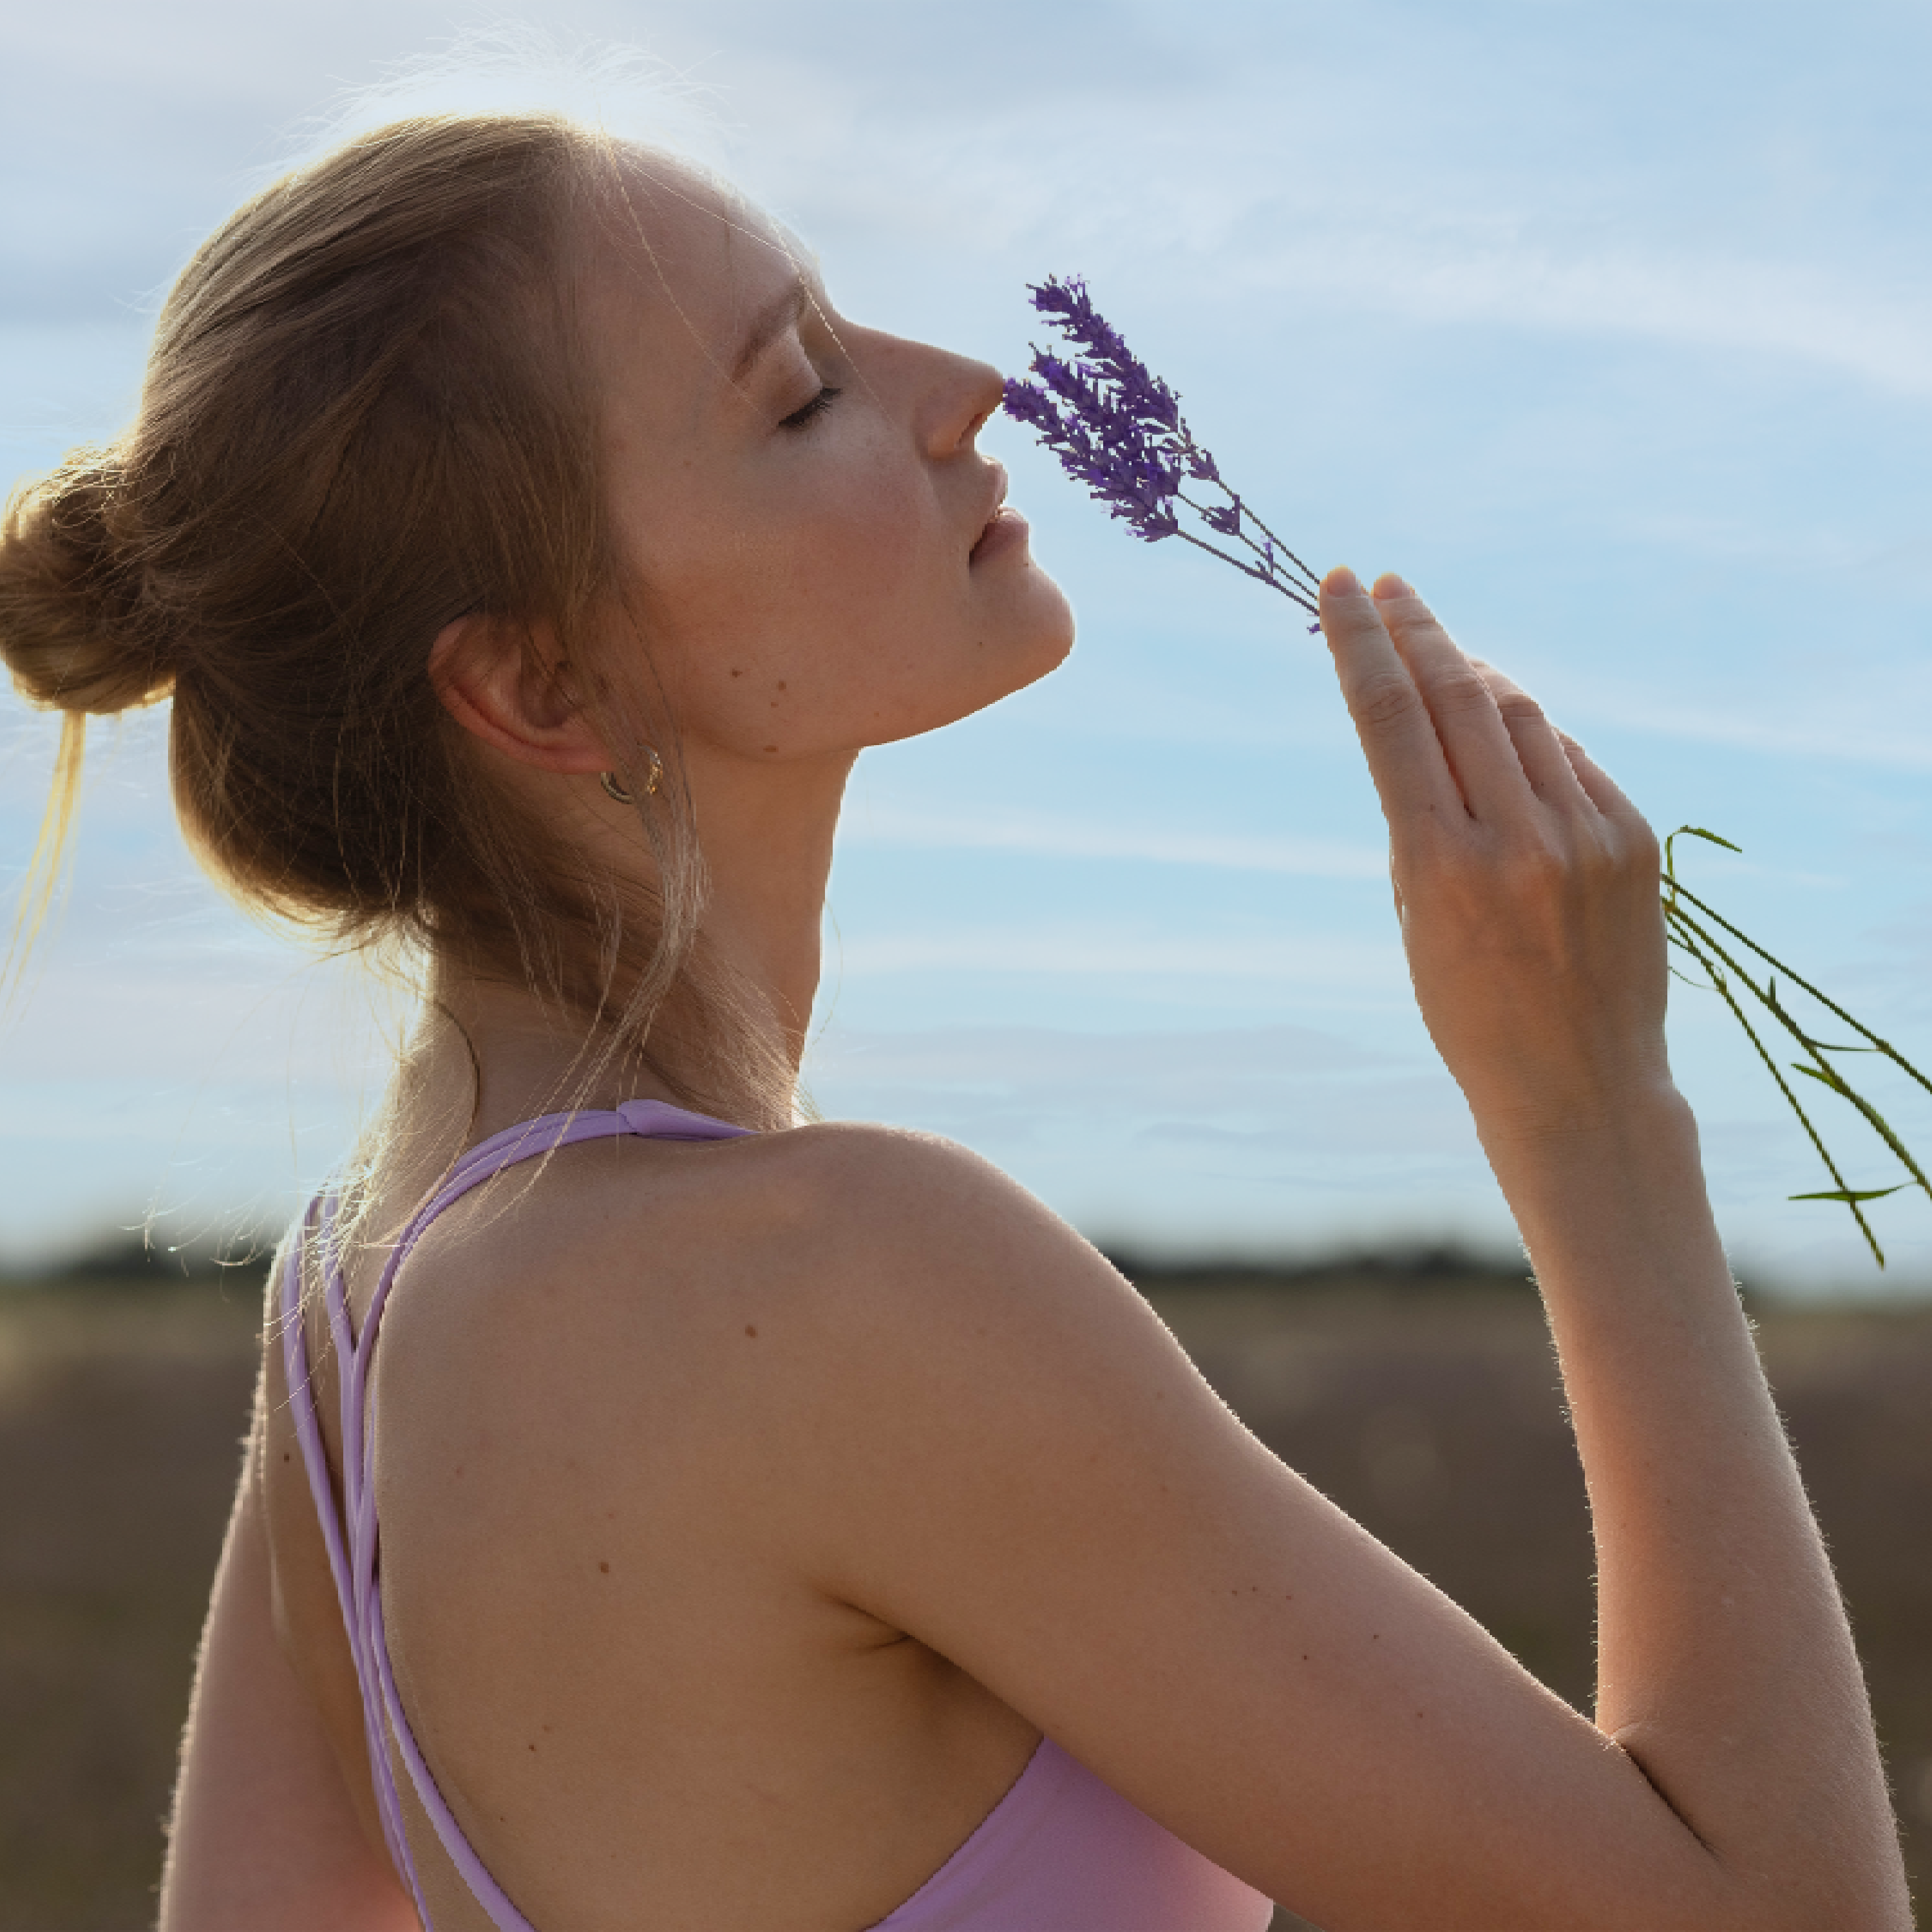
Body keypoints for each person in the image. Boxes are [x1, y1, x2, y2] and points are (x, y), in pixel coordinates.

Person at [0, 110, 1909, 1932]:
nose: (972, 388)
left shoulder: (344, 1316)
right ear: (545, 684)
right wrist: (1592, 1115)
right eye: (800, 394)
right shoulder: (829, 1281)